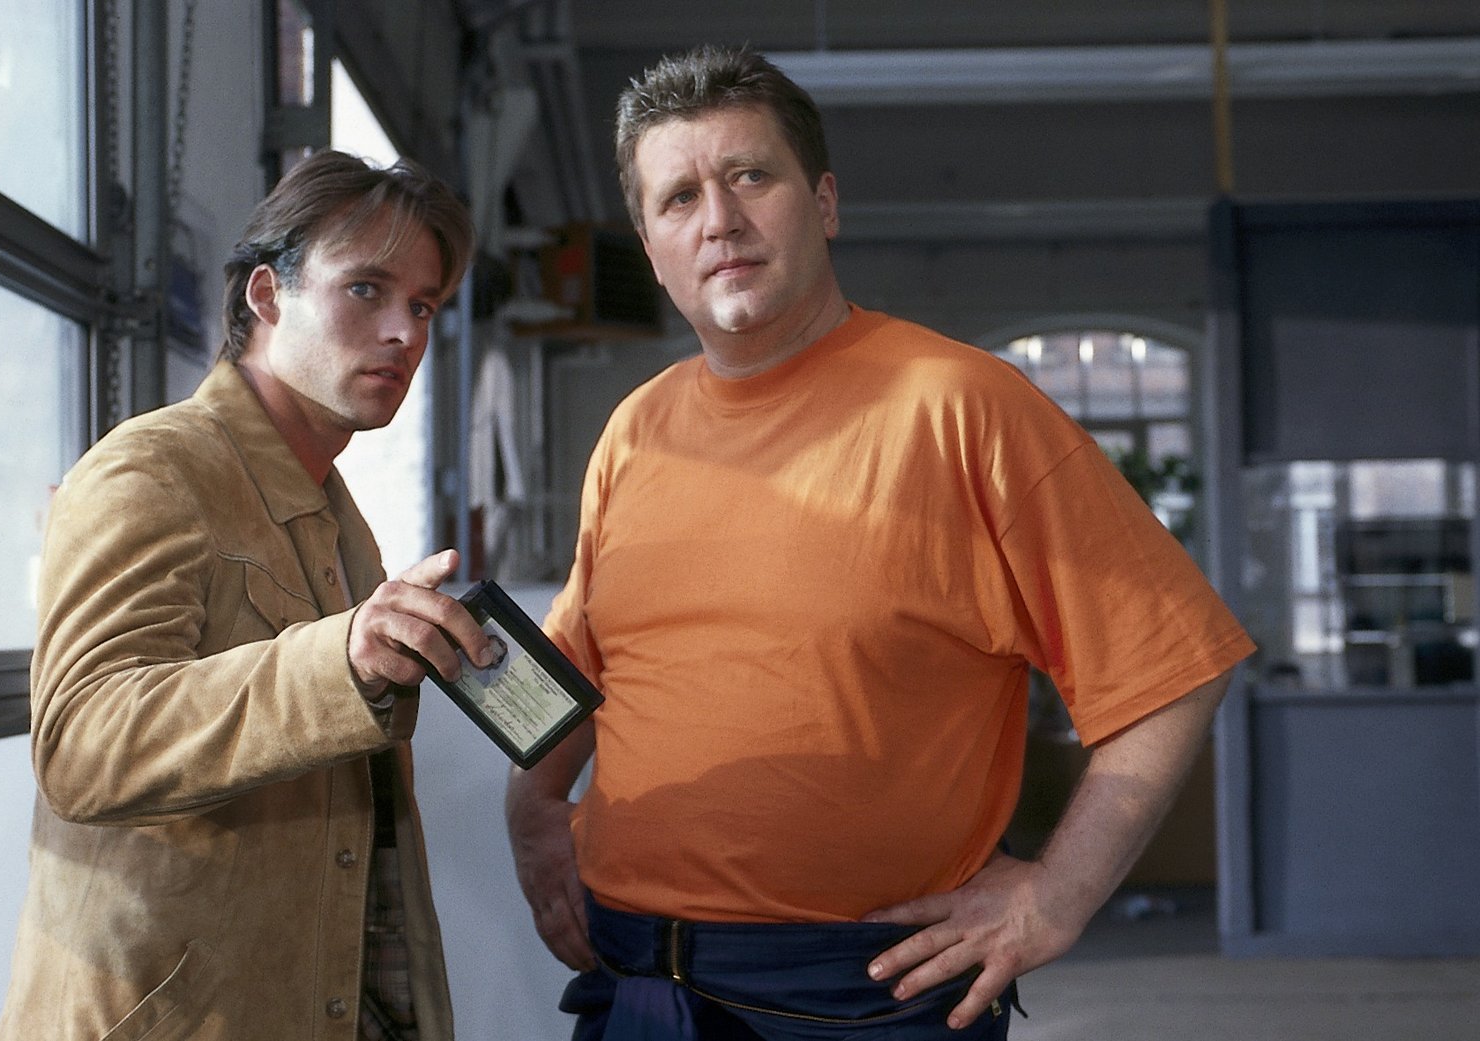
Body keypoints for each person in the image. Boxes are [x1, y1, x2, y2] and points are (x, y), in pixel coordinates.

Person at [505, 45, 1255, 1040]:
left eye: (750, 177)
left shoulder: (961, 407)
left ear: (823, 203)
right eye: (679, 198)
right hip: (641, 986)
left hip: (865, 997)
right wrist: (531, 807)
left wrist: (1057, 895)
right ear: (650, 245)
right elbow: (576, 663)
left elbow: (1177, 666)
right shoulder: (635, 431)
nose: (719, 219)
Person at [0, 150, 493, 1041]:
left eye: (423, 306)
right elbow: (80, 743)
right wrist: (338, 661)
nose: (403, 332)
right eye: (366, 289)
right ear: (268, 296)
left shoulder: (337, 515)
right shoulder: (153, 469)